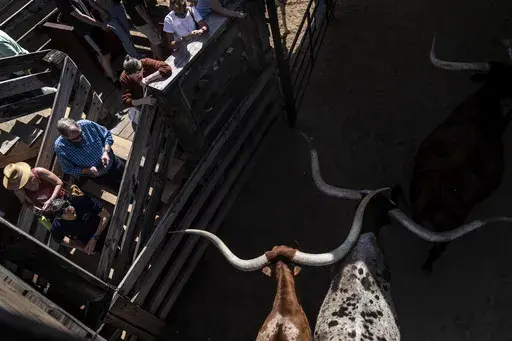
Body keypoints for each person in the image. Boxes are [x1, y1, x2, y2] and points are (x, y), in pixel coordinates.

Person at [55, 0, 119, 84]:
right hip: (86, 30)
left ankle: (109, 74)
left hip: (91, 26)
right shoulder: (62, 2)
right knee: (104, 55)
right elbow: (80, 16)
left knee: (101, 53)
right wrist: (101, 24)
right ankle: (114, 79)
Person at [54, 118, 125, 190]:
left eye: (81, 134)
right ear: (65, 137)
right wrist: (87, 170)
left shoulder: (87, 124)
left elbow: (107, 135)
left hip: (114, 163)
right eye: (75, 138)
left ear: (78, 126)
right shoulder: (60, 147)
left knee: (129, 178)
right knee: (119, 190)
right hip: (100, 176)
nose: (80, 139)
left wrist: (106, 151)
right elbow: (68, 169)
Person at [120, 56, 172, 125]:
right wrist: (144, 100)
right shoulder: (124, 78)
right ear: (128, 75)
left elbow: (166, 68)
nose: (138, 75)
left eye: (139, 71)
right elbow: (126, 101)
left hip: (157, 94)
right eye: (134, 75)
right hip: (142, 104)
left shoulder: (145, 62)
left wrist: (148, 79)